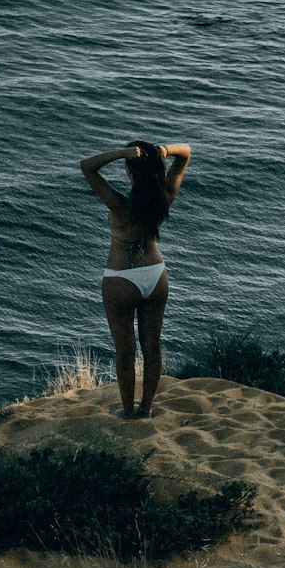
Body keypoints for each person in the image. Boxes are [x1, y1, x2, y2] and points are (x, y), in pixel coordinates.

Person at [79, 140, 191, 418]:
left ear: (129, 171)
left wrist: (120, 154)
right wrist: (164, 150)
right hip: (155, 275)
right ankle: (147, 409)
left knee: (125, 352)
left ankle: (127, 411)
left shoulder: (118, 204)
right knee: (152, 347)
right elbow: (185, 153)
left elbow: (87, 167)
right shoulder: (165, 196)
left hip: (120, 277)